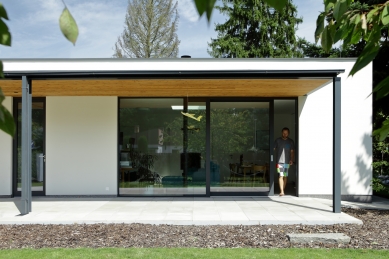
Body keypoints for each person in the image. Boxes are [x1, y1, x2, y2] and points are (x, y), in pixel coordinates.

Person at [274, 127, 295, 196]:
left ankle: (283, 189)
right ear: (281, 132)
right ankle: (282, 191)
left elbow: (292, 152)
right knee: (280, 175)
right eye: (283, 133)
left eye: (286, 133)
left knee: (285, 176)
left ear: (288, 133)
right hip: (279, 161)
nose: (285, 134)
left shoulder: (290, 141)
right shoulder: (277, 140)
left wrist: (291, 159)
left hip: (287, 162)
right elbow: (273, 149)